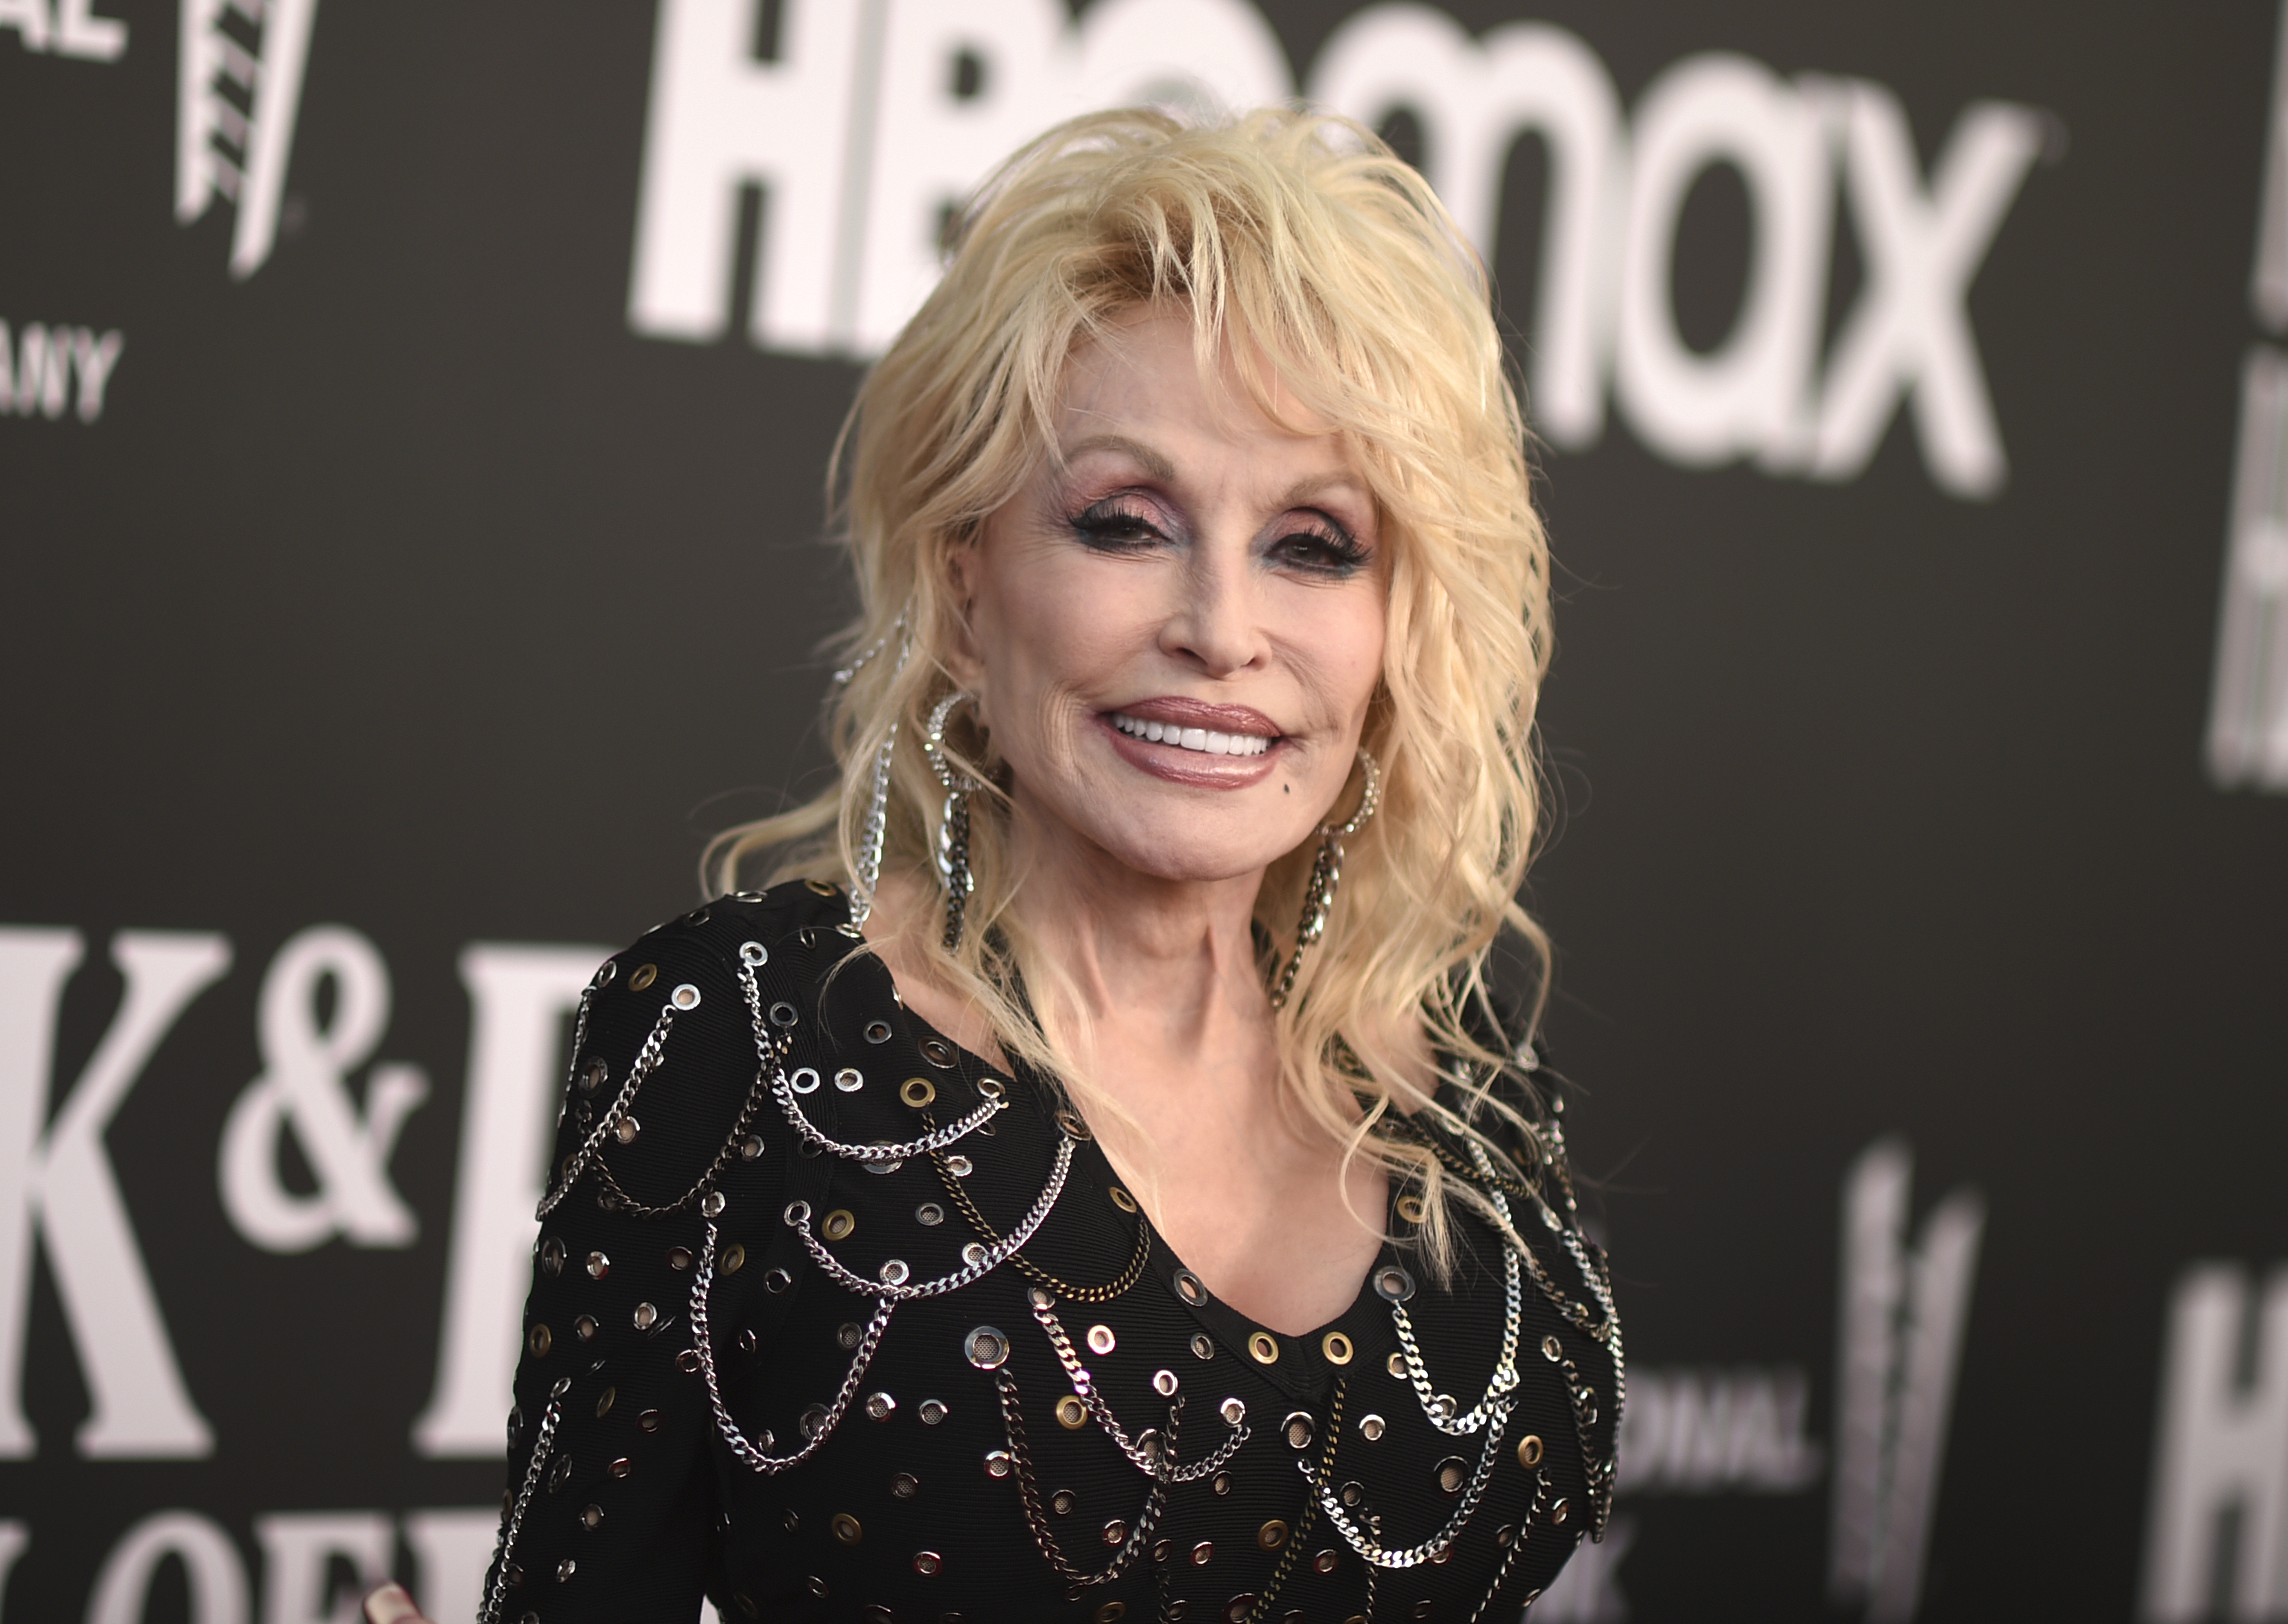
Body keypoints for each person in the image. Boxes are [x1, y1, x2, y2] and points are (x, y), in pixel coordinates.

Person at [368, 105, 1619, 1624]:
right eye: (1125, 522)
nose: (1224, 627)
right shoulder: (743, 1040)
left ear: (1395, 625)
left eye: (1312, 544)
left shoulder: (1468, 1077)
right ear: (967, 590)